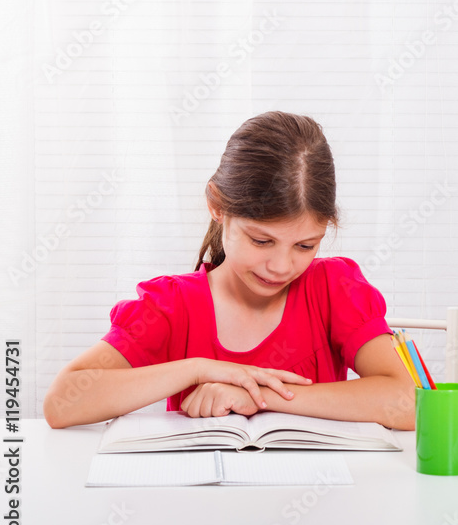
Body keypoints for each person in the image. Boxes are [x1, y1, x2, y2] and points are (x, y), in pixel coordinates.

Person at [44, 112, 415, 429]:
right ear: (217, 207)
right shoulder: (171, 305)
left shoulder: (334, 289)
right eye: (261, 241)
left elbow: (411, 401)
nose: (282, 266)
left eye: (305, 246)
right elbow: (63, 404)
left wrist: (260, 396)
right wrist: (198, 370)